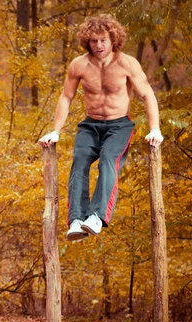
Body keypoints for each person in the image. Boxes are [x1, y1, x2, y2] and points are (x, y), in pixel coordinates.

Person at [38, 14, 163, 241]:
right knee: (79, 160)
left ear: (113, 39)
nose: (99, 45)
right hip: (90, 125)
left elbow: (147, 94)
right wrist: (55, 131)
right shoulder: (79, 65)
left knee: (108, 159)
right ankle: (76, 219)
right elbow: (66, 97)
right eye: (94, 41)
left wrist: (155, 129)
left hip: (119, 125)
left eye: (103, 40)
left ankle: (96, 216)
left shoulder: (127, 63)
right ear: (88, 41)